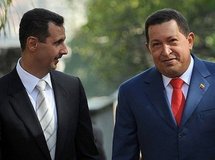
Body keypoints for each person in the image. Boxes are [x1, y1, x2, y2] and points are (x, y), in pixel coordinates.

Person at [112, 8, 215, 160]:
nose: (166, 51)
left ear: (190, 41)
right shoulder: (131, 92)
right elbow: (124, 154)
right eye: (157, 44)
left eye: (172, 41)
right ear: (149, 48)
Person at [0, 8, 99, 160]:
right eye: (58, 42)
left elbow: (87, 154)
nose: (65, 50)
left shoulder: (72, 87)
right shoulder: (2, 94)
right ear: (32, 44)